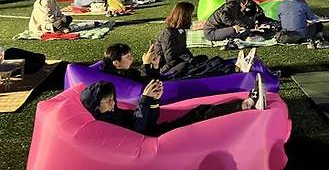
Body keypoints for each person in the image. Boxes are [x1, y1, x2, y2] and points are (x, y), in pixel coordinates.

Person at [79, 76, 267, 136]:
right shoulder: (105, 124)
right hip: (155, 140)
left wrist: (153, 101)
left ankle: (246, 104)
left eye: (112, 98)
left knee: (199, 111)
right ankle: (247, 105)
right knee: (200, 116)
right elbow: (138, 128)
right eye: (108, 101)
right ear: (96, 106)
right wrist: (145, 100)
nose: (113, 103)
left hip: (155, 131)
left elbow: (148, 122)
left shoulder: (113, 113)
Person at [155, 2, 208, 75]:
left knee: (203, 58)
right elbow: (170, 58)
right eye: (189, 16)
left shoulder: (181, 30)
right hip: (166, 66)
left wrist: (191, 59)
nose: (191, 18)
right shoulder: (168, 32)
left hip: (179, 61)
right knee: (185, 65)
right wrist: (187, 60)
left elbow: (184, 49)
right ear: (183, 17)